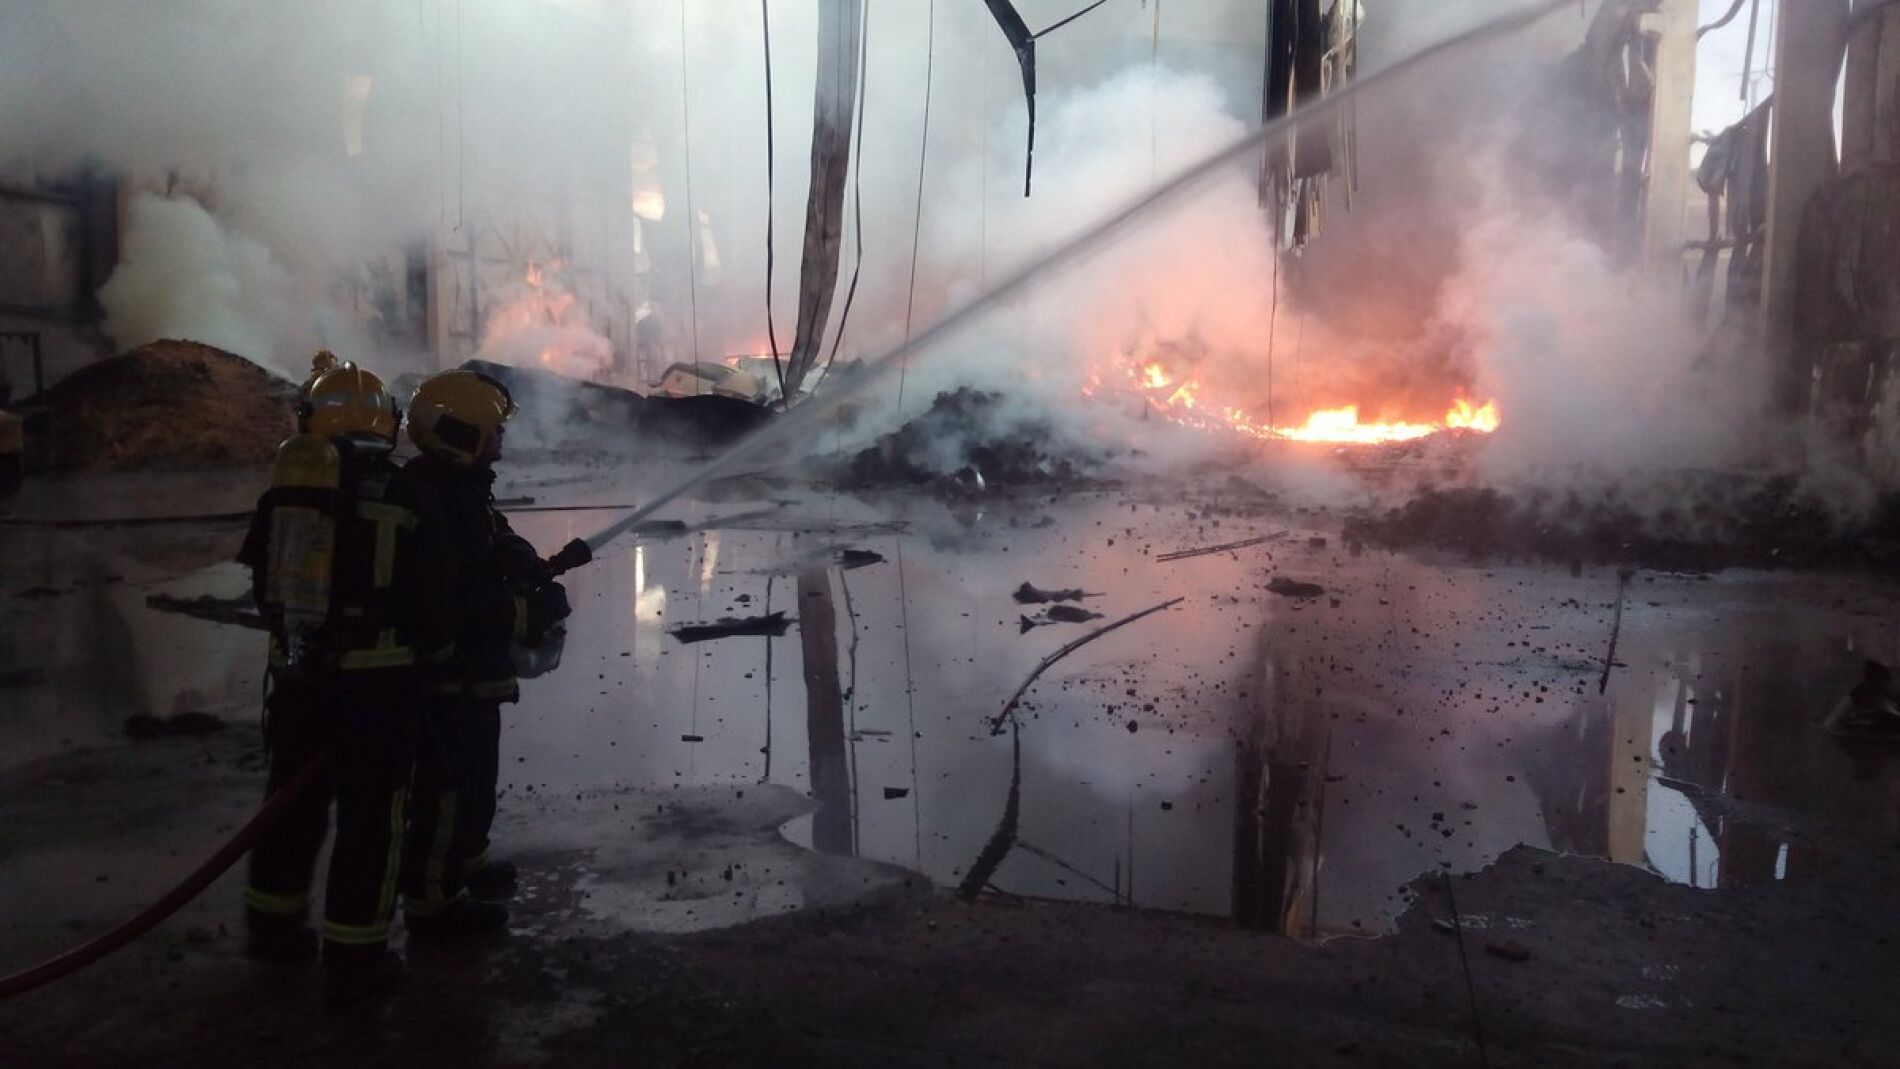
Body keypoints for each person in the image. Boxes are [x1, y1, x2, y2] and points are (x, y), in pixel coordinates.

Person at [238, 362, 456, 1007]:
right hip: (378, 694)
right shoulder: (407, 494)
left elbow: (262, 580)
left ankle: (272, 929)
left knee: (289, 806)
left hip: (300, 682)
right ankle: (356, 958)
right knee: (372, 822)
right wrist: (433, 657)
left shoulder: (289, 492)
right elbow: (436, 601)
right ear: (387, 424)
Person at [399, 369, 587, 941]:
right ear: (459, 432)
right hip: (447, 681)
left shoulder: (460, 490)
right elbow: (454, 601)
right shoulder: (431, 502)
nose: (502, 440)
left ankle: (468, 858)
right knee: (446, 790)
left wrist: (533, 567)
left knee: (477, 777)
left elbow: (495, 543)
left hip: (473, 680)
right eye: (493, 430)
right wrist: (530, 613)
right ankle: (432, 905)